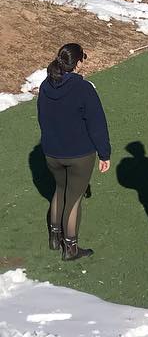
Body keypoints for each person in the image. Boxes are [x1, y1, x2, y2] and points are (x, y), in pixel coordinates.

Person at [36, 42, 111, 261]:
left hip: (52, 153)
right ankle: (70, 248)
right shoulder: (83, 88)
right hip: (79, 154)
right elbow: (97, 124)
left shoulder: (45, 86)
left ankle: (54, 237)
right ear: (77, 63)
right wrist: (104, 153)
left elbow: (42, 118)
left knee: (60, 190)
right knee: (74, 199)